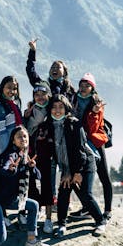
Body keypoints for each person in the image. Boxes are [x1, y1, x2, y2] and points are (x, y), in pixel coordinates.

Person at [43, 94, 107, 237]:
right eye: (54, 107)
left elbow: (80, 151)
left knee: (84, 193)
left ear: (66, 109)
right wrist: (67, 172)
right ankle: (61, 224)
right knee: (64, 192)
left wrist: (76, 173)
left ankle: (101, 222)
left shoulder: (74, 123)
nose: (57, 110)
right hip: (67, 167)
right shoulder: (49, 126)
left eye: (61, 107)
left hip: (84, 164)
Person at [26, 39, 76, 218]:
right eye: (52, 67)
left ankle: (65, 202)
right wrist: (33, 52)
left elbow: (75, 110)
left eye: (59, 67)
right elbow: (31, 73)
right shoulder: (44, 86)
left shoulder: (69, 90)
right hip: (46, 135)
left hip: (64, 133)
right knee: (49, 169)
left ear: (64, 72)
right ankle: (51, 201)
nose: (55, 69)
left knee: (67, 167)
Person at [0, 125, 49, 246]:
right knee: (0, 237)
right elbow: (4, 170)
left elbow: (38, 177)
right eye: (19, 137)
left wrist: (32, 167)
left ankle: (31, 240)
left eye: (25, 136)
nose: (23, 138)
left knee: (34, 205)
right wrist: (10, 170)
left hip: (8, 198)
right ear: (13, 140)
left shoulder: (24, 156)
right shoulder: (11, 155)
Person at [69, 73, 113, 221]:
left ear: (92, 88)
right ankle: (87, 208)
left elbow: (94, 128)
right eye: (81, 85)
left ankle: (107, 210)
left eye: (87, 85)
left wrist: (94, 112)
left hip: (94, 142)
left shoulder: (96, 102)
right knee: (76, 177)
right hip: (78, 142)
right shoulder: (73, 99)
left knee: (104, 176)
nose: (83, 88)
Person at [23, 83, 55, 234]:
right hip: (32, 152)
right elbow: (24, 131)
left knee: (47, 184)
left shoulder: (53, 109)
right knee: (32, 185)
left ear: (48, 95)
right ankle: (35, 213)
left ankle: (48, 219)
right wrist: (25, 117)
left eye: (43, 94)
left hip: (47, 152)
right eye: (37, 95)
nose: (40, 97)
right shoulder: (30, 111)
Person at [0, 76, 23, 156]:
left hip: (16, 147)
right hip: (6, 150)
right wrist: (6, 155)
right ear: (2, 88)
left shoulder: (14, 105)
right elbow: (0, 133)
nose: (12, 91)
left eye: (14, 88)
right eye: (9, 87)